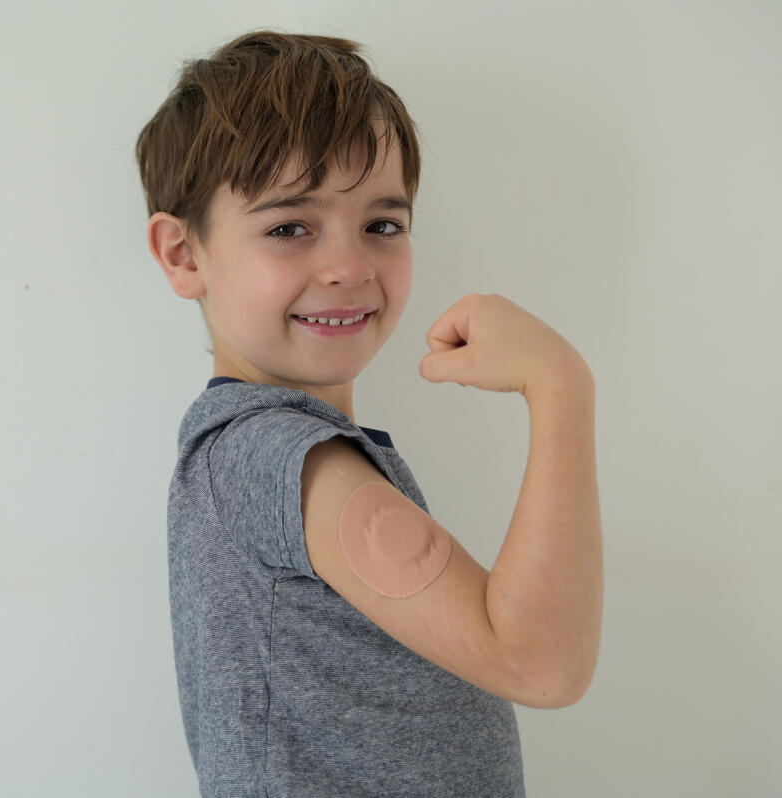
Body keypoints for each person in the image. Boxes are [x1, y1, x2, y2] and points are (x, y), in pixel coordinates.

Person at [137, 30, 602, 797]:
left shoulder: (266, 451)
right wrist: (561, 387)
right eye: (290, 227)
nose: (349, 267)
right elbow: (540, 663)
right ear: (184, 254)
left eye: (382, 224)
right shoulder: (274, 454)